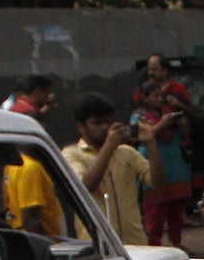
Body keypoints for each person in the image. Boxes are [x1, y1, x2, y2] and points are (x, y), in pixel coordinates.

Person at [63, 94, 150, 243]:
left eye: (106, 122)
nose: (104, 127)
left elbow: (157, 180)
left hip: (135, 242)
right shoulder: (71, 154)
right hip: (98, 244)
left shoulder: (126, 152)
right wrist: (109, 145)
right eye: (96, 123)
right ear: (80, 127)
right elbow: (84, 187)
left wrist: (151, 142)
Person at [131, 80, 194, 245]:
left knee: (176, 212)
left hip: (175, 167)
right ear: (144, 98)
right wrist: (162, 124)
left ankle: (177, 243)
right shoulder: (138, 116)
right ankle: (154, 245)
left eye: (160, 95)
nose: (159, 99)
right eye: (154, 96)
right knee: (155, 213)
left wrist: (181, 125)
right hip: (154, 165)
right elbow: (141, 137)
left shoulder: (168, 112)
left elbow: (184, 136)